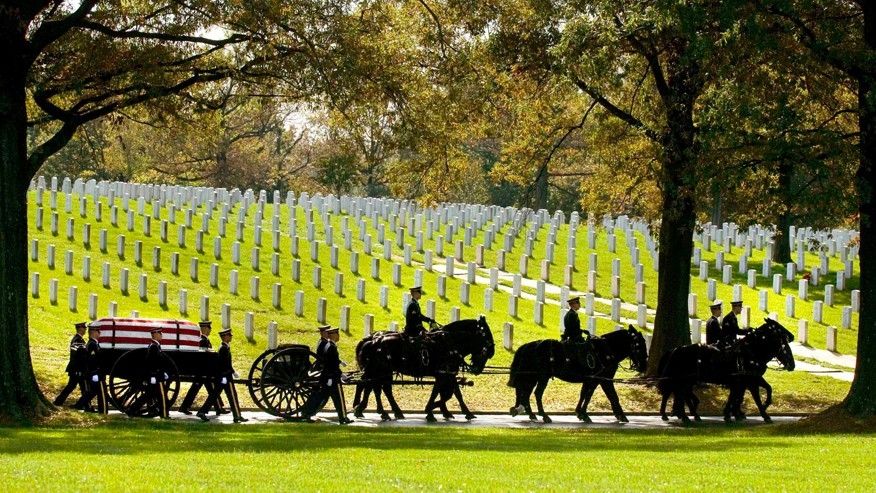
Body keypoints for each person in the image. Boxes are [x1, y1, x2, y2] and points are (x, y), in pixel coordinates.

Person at [301, 325, 352, 424]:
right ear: (333, 335)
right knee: (338, 398)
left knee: (321, 396)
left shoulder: (329, 345)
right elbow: (330, 364)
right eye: (337, 334)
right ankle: (343, 418)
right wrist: (340, 374)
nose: (338, 336)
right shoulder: (331, 347)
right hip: (332, 377)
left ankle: (307, 413)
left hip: (328, 377)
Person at [197, 328, 247, 423]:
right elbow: (222, 364)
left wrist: (233, 371)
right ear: (225, 337)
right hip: (225, 377)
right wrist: (227, 374)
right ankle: (237, 416)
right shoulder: (223, 348)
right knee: (232, 396)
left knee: (215, 395)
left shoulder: (225, 347)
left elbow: (227, 363)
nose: (231, 337)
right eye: (229, 335)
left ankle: (202, 412)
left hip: (224, 376)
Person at [179, 321, 225, 415]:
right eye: (209, 328)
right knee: (209, 389)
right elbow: (204, 356)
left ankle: (218, 408)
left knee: (208, 389)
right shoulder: (203, 341)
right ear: (204, 329)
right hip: (203, 370)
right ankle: (218, 408)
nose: (210, 330)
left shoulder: (204, 340)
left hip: (204, 370)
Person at [75, 325, 108, 414]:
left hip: (94, 373)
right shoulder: (92, 344)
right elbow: (92, 360)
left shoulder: (93, 343)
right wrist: (96, 372)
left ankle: (78, 405)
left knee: (92, 392)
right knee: (101, 393)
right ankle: (103, 411)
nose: (100, 333)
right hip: (96, 373)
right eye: (98, 331)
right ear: (94, 332)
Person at [54, 322, 88, 407]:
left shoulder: (79, 339)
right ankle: (85, 405)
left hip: (76, 368)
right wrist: (79, 369)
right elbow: (78, 356)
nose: (85, 330)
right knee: (78, 387)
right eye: (84, 328)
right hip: (77, 369)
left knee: (75, 386)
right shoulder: (77, 340)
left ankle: (59, 401)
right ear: (80, 329)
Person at [144, 328, 170, 418]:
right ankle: (164, 415)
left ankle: (155, 412)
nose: (161, 335)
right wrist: (152, 375)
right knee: (162, 396)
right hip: (157, 376)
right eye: (160, 333)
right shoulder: (153, 347)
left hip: (158, 375)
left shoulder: (156, 346)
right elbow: (150, 362)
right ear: (155, 334)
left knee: (153, 394)